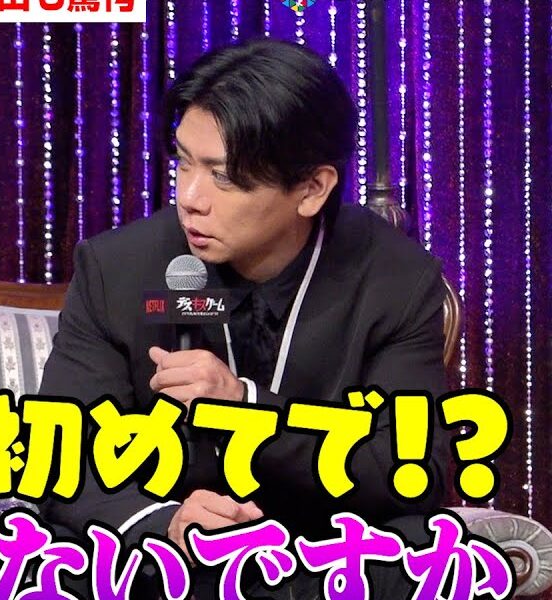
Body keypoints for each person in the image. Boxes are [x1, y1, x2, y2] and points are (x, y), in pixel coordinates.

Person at [39, 38, 448, 598]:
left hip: (321, 553)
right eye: (183, 162)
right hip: (172, 558)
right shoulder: (117, 269)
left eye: (224, 176)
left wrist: (248, 408)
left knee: (422, 551)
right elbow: (64, 455)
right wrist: (165, 525)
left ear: (312, 189)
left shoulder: (394, 279)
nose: (189, 197)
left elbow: (410, 468)